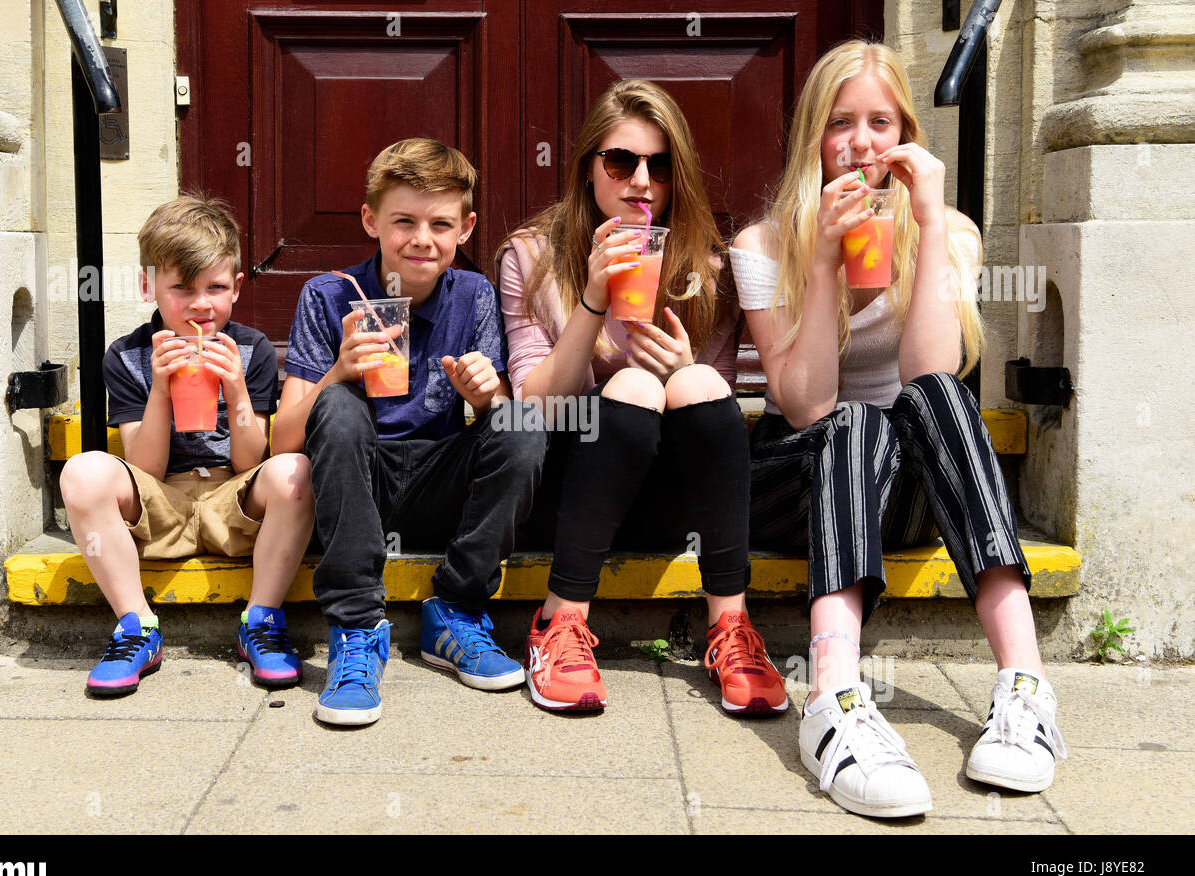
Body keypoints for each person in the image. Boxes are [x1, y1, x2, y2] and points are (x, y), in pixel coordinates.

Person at [731, 40, 1068, 818]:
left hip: (908, 493)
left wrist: (924, 220)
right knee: (850, 420)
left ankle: (1025, 684)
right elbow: (805, 403)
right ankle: (837, 697)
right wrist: (820, 266)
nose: (860, 142)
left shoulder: (947, 230)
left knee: (940, 397)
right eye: (840, 122)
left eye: (880, 121)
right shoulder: (765, 243)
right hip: (797, 483)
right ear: (814, 136)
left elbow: (929, 373)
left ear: (907, 135)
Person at [497, 79, 787, 715]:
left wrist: (680, 368)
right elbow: (533, 406)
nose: (640, 181)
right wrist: (592, 302)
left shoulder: (710, 270)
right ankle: (560, 619)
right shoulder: (532, 258)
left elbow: (708, 417)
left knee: (699, 381)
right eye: (621, 161)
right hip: (570, 497)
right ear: (588, 169)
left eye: (661, 166)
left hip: (677, 506)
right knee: (628, 384)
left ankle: (731, 629)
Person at [272, 138, 546, 726]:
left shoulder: (473, 295)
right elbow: (282, 441)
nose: (422, 238)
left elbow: (497, 422)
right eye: (404, 221)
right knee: (340, 407)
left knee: (522, 420)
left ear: (466, 228)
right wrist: (339, 372)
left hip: (438, 482)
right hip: (354, 484)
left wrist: (488, 396)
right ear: (371, 220)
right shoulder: (328, 295)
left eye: (441, 223)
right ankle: (356, 627)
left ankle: (454, 609)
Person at [61, 194, 314, 696]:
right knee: (83, 471)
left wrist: (237, 386)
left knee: (296, 470)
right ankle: (136, 628)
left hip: (233, 503)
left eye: (215, 287)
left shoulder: (252, 349)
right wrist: (161, 388)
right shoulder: (130, 355)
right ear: (147, 285)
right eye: (181, 287)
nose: (201, 303)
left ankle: (261, 620)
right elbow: (146, 467)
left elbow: (250, 460)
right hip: (162, 505)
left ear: (237, 288)